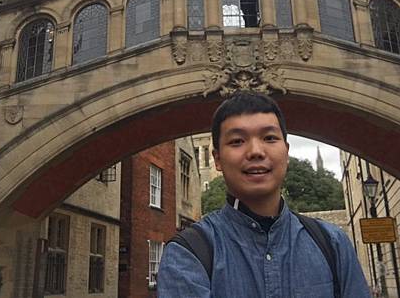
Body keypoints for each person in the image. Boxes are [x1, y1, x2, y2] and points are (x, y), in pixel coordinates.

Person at [157, 92, 371, 297]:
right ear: (218, 159)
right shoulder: (187, 254)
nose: (255, 151)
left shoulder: (332, 244)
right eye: (237, 141)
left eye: (269, 137)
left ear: (286, 152)